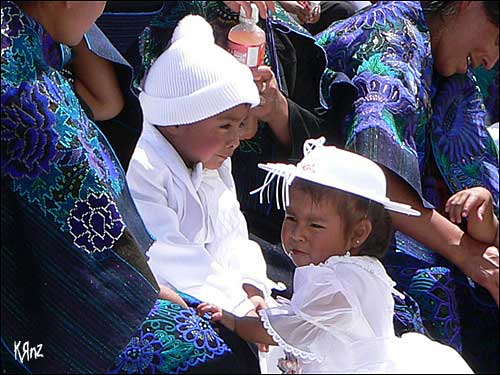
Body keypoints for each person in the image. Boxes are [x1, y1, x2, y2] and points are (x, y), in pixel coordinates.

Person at [1, 2, 259, 373]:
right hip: (29, 326)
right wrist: (146, 288)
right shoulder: (24, 90)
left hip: (84, 277)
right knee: (218, 356)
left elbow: (108, 101)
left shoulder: (33, 49)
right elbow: (88, 238)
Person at [315, 1, 499, 372]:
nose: (491, 61)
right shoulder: (390, 39)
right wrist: (466, 253)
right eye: (497, 39)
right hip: (334, 217)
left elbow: (477, 185)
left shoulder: (455, 76)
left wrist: (483, 223)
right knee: (435, 290)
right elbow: (373, 170)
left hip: (421, 232)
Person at [196, 138, 472, 373]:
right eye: (291, 218)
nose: (297, 234)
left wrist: (236, 322)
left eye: (315, 225)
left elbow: (291, 329)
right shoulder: (354, 266)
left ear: (359, 233)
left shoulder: (337, 280)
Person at [126, 15, 281, 320]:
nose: (236, 140)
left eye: (238, 126)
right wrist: (237, 308)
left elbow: (232, 234)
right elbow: (167, 253)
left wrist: (253, 289)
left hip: (219, 295)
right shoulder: (142, 166)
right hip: (173, 296)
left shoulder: (210, 160)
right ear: (177, 121)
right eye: (225, 126)